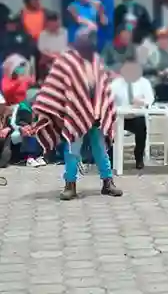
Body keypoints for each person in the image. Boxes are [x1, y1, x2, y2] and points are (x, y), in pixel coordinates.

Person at [32, 25, 122, 200]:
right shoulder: (65, 61)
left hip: (96, 112)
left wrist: (102, 107)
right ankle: (70, 184)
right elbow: (53, 86)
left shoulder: (96, 60)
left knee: (100, 148)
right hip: (73, 113)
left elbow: (103, 87)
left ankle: (107, 182)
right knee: (72, 148)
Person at [110, 59, 154, 169]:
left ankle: (139, 157)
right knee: (108, 128)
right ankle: (111, 159)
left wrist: (142, 102)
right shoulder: (116, 84)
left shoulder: (144, 82)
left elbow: (150, 99)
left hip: (136, 116)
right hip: (119, 117)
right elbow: (109, 100)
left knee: (141, 127)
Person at [144, 28, 168, 102]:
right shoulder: (152, 51)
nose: (163, 41)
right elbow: (146, 69)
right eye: (161, 39)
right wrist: (157, 72)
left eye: (165, 39)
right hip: (157, 81)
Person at [37, 12, 68, 80]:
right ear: (47, 23)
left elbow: (68, 48)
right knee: (42, 62)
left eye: (55, 22)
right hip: (49, 60)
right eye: (51, 22)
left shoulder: (65, 33)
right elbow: (42, 50)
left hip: (63, 59)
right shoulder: (43, 35)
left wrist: (59, 55)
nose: (54, 24)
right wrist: (53, 56)